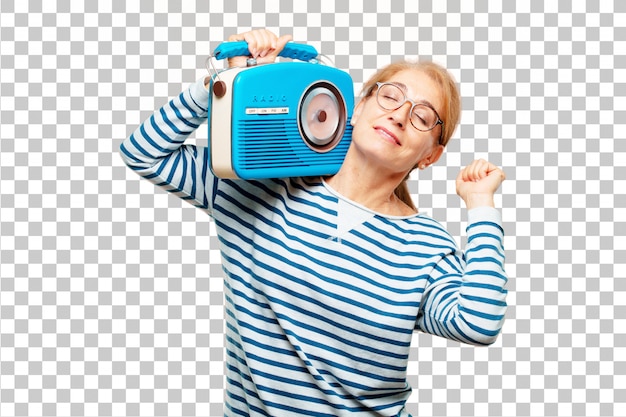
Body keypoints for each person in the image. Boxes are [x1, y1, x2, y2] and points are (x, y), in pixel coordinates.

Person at [120, 29, 508, 417]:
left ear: (430, 156)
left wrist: (481, 206)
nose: (400, 115)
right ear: (357, 107)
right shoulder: (259, 186)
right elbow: (144, 154)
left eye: (423, 116)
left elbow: (477, 323)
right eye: (391, 96)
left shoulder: (426, 243)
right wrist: (224, 84)